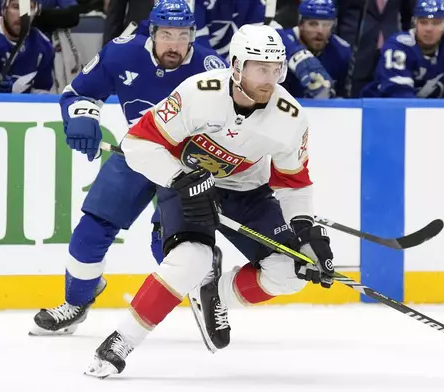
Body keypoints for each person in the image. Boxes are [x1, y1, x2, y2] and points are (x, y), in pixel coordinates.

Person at [84, 23, 336, 378]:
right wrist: (180, 178)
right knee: (192, 258)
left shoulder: (290, 118)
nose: (270, 78)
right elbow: (138, 144)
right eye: (260, 68)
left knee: (291, 271)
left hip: (247, 190)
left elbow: (294, 184)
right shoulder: (198, 93)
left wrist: (306, 229)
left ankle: (214, 293)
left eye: (276, 69)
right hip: (185, 180)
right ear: (236, 66)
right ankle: (121, 341)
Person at [29, 0, 227, 338]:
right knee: (91, 230)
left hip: (185, 166)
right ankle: (76, 302)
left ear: (193, 34)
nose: (175, 45)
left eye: (183, 35)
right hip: (136, 153)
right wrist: (82, 117)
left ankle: (207, 293)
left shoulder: (212, 69)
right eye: (166, 34)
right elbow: (79, 93)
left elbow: (232, 126)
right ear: (151, 32)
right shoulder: (121, 53)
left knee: (168, 243)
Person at [277, 0, 351, 99]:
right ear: (301, 24)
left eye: (326, 25)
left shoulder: (341, 51)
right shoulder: (280, 41)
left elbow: (341, 95)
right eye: (313, 24)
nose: (320, 31)